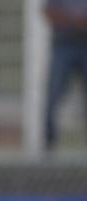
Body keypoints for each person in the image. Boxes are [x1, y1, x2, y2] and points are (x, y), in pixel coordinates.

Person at [44, 0, 87, 149]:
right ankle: (49, 143)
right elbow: (48, 11)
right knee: (54, 92)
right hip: (63, 44)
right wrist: (73, 21)